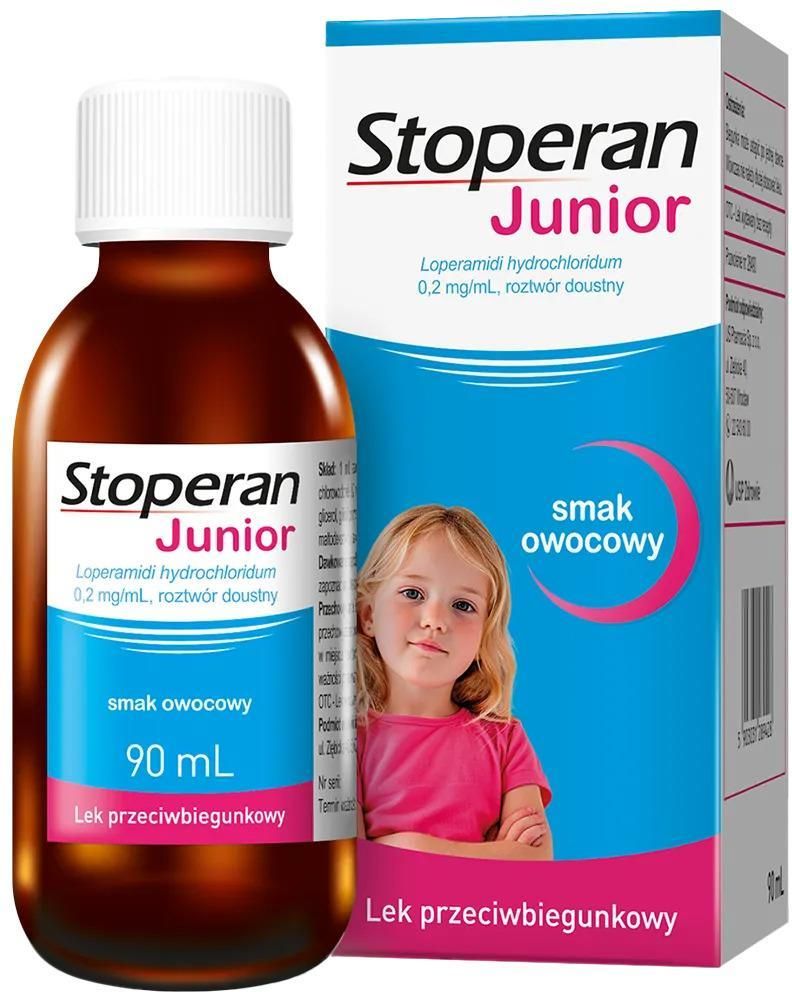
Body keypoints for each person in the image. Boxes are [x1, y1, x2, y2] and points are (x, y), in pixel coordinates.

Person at [356, 504, 552, 860]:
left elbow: (535, 862)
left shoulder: (506, 741)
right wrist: (493, 855)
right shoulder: (339, 743)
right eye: (413, 593)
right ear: (368, 615)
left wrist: (405, 848)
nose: (435, 620)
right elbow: (349, 866)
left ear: (483, 635)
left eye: (462, 605)